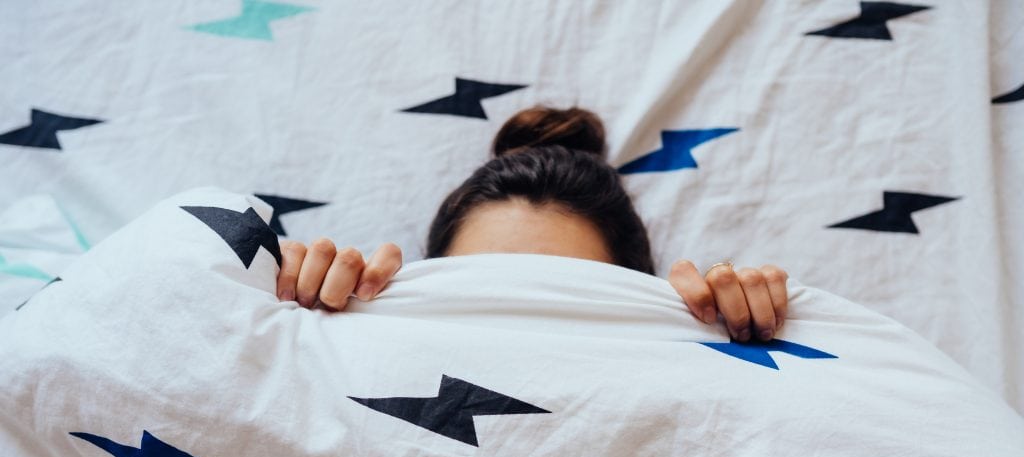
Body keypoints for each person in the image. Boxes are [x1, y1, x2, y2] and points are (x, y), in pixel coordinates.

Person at [275, 106, 788, 343]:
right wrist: (292, 307)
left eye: (563, 290)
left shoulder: (694, 361)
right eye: (482, 285)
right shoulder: (349, 343)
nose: (517, 312)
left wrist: (741, 329)